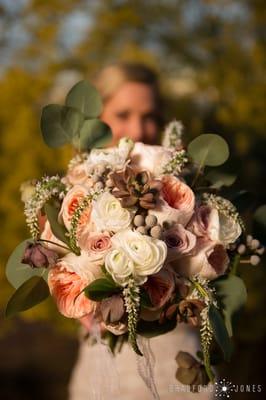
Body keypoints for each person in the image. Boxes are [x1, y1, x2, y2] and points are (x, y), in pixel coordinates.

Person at [68, 62, 214, 400]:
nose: (138, 128)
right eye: (123, 114)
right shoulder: (73, 192)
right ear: (98, 118)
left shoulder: (190, 188)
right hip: (105, 366)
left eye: (149, 116)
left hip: (179, 362)